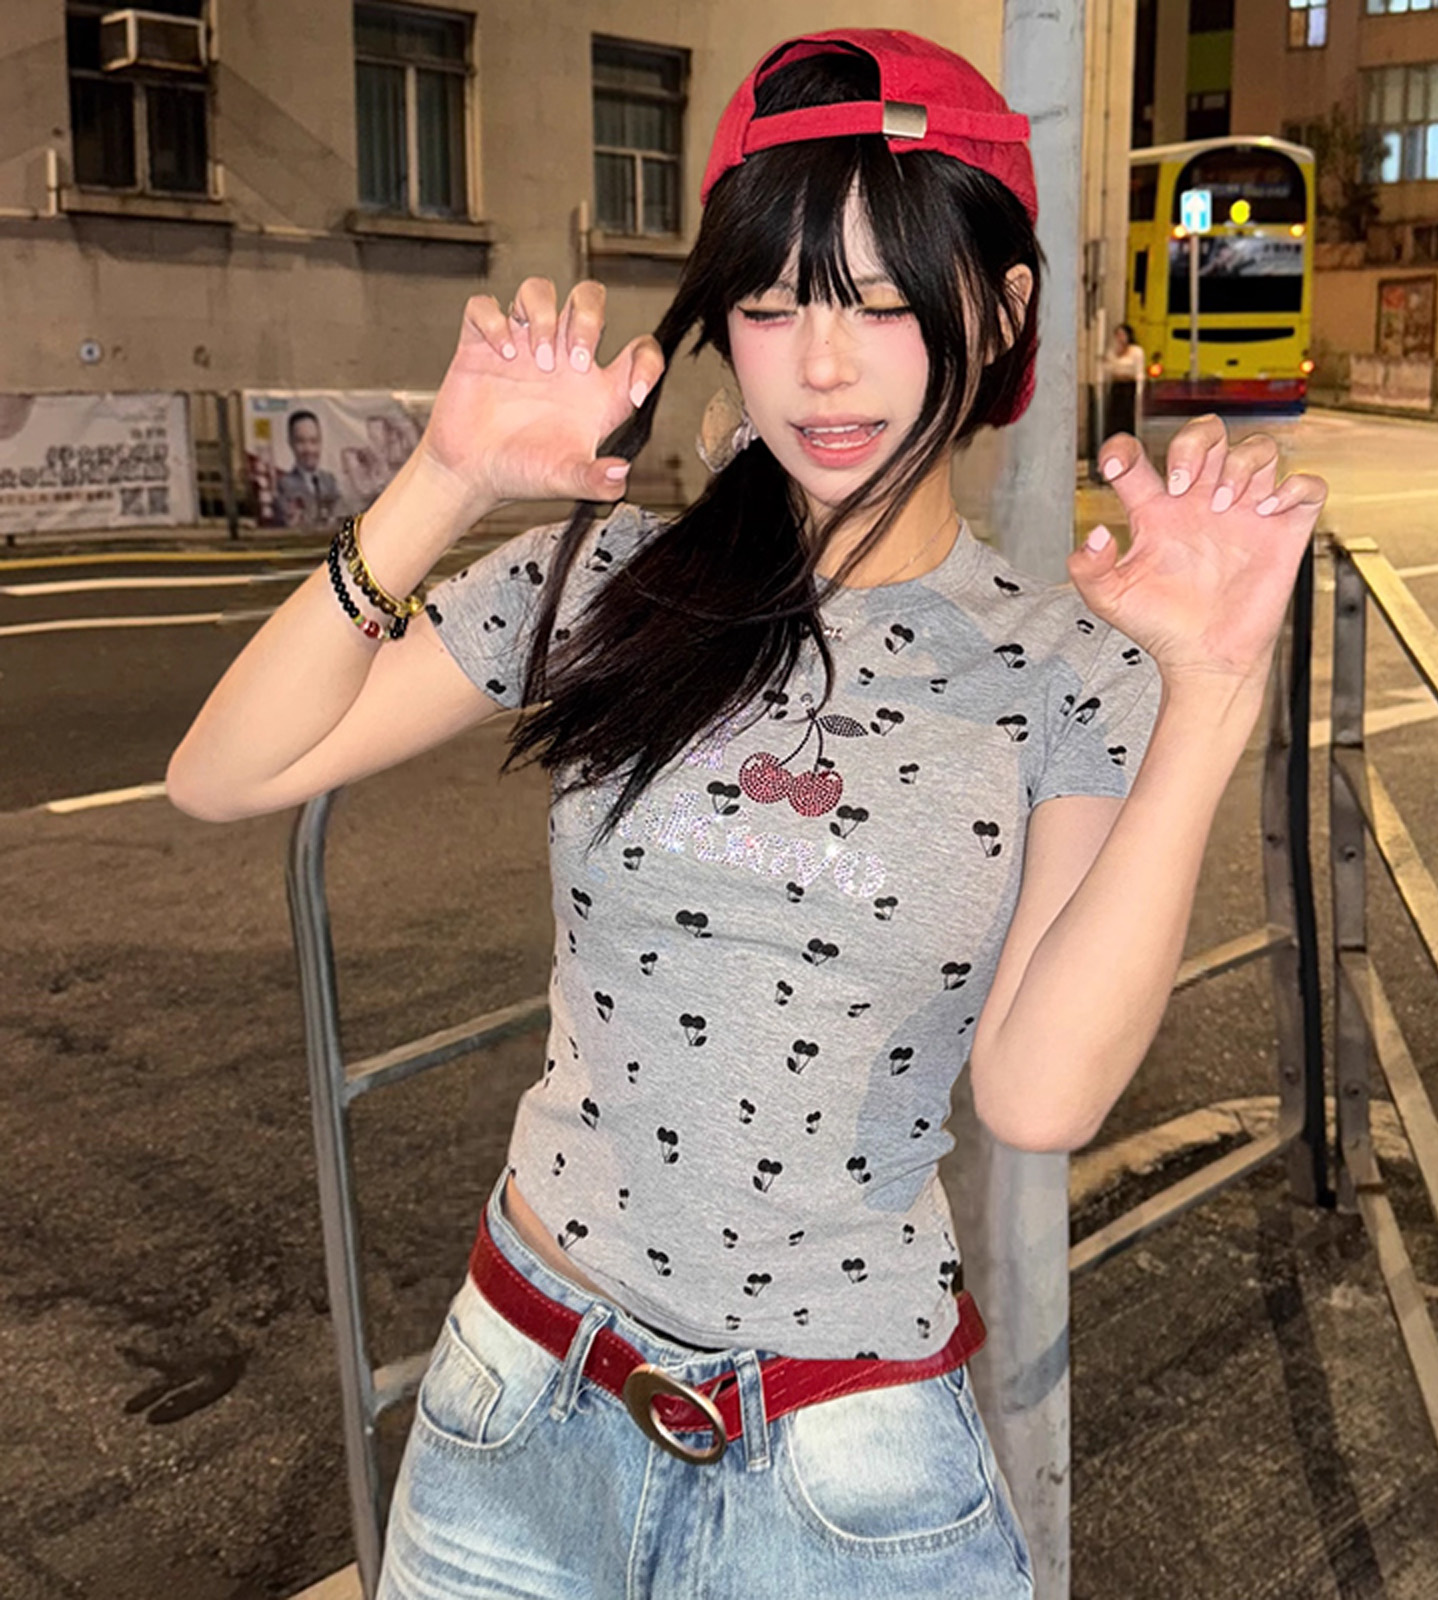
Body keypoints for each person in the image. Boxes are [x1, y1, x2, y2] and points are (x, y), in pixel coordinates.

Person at [167, 28, 1324, 1598]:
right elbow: (225, 773)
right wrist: (444, 477)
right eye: (772, 304)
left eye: (882, 303)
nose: (821, 366)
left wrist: (1213, 693)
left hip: (845, 1461)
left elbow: (1039, 1096)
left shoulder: (1066, 668)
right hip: (521, 1397)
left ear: (1001, 311)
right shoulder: (611, 578)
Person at [273, 407, 342, 528]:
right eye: (301, 441)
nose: (309, 449)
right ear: (291, 443)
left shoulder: (330, 481)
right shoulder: (284, 485)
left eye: (314, 441)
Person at [1101, 320, 1145, 444]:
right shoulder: (1113, 352)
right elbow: (1108, 368)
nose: (1120, 338)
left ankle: (1128, 439)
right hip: (1117, 385)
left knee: (1127, 415)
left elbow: (1139, 370)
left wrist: (1139, 390)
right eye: (1117, 335)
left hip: (1129, 385)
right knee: (1114, 416)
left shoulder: (1136, 351)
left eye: (1122, 334)